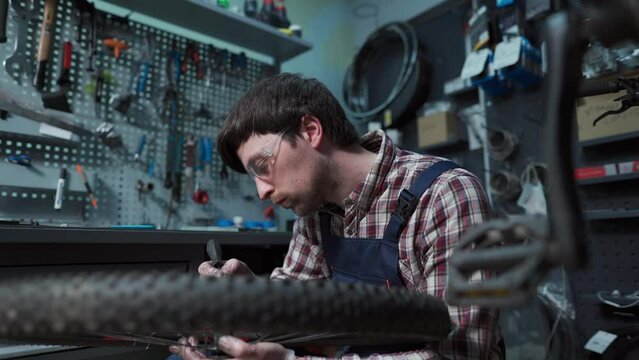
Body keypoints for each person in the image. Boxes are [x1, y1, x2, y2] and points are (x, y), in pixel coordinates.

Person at [169, 73, 504, 360]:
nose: (261, 192)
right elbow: (291, 314)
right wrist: (243, 302)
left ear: (311, 130)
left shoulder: (445, 195)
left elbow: (460, 355)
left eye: (262, 167)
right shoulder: (317, 215)